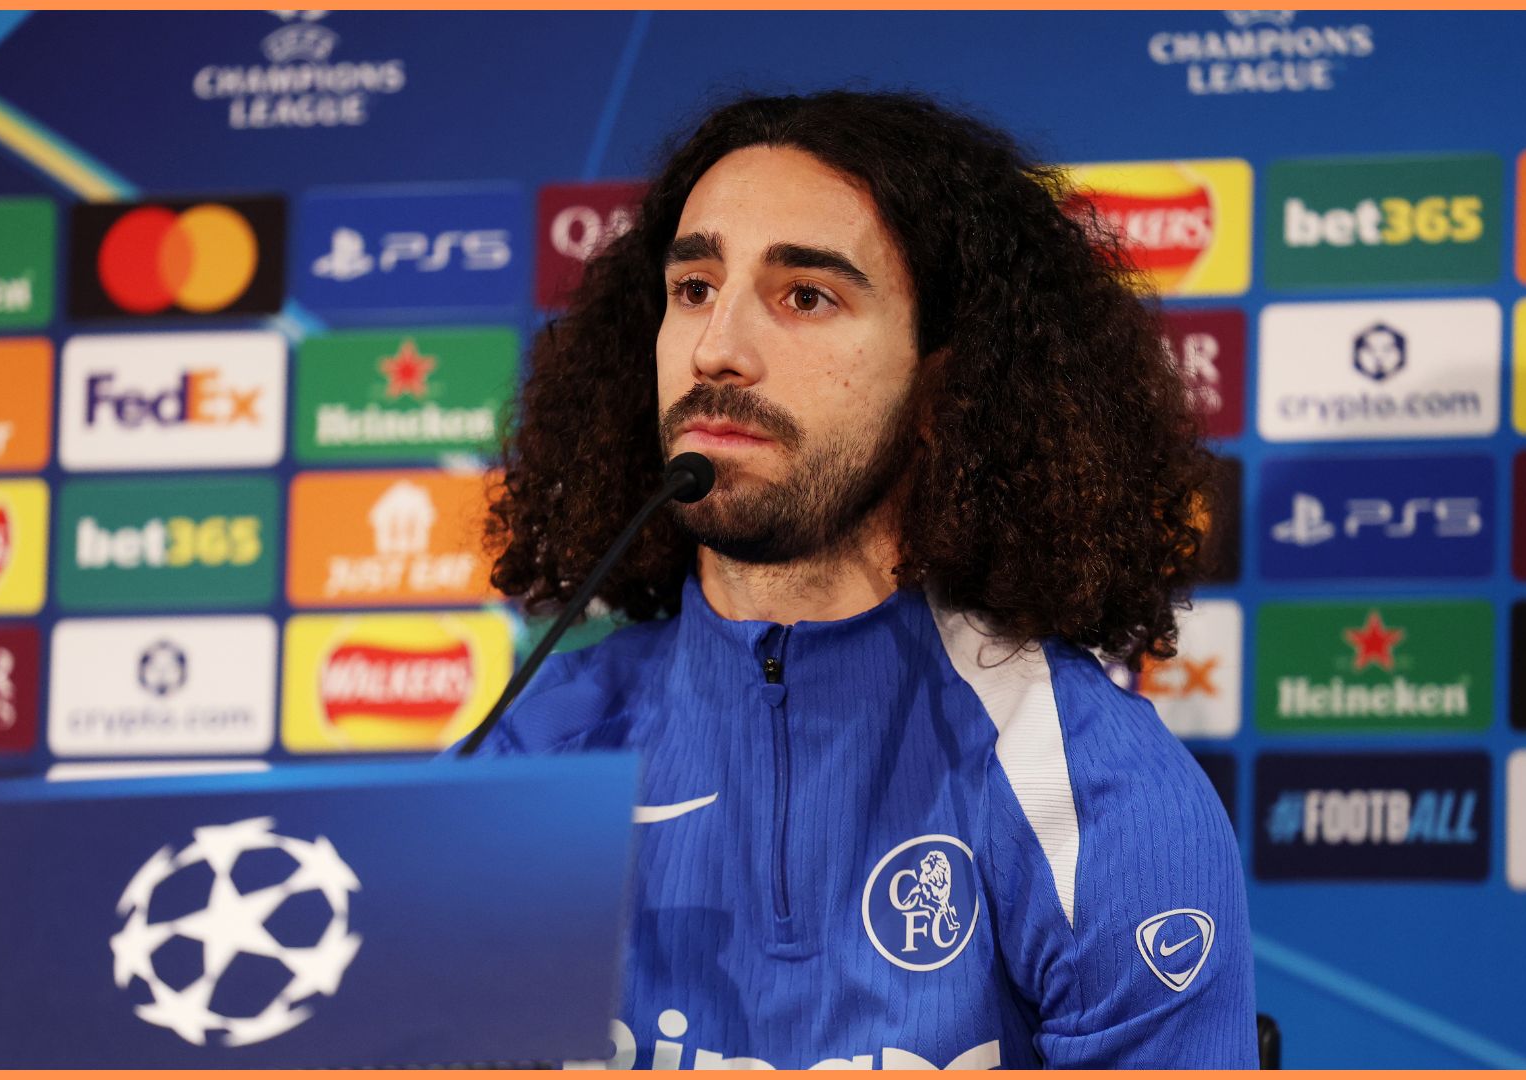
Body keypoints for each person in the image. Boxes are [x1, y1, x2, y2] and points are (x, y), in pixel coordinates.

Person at [467, 90, 1255, 1069]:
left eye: (806, 295)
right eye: (695, 287)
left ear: (942, 389)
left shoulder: (1093, 791)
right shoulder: (534, 750)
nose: (719, 349)